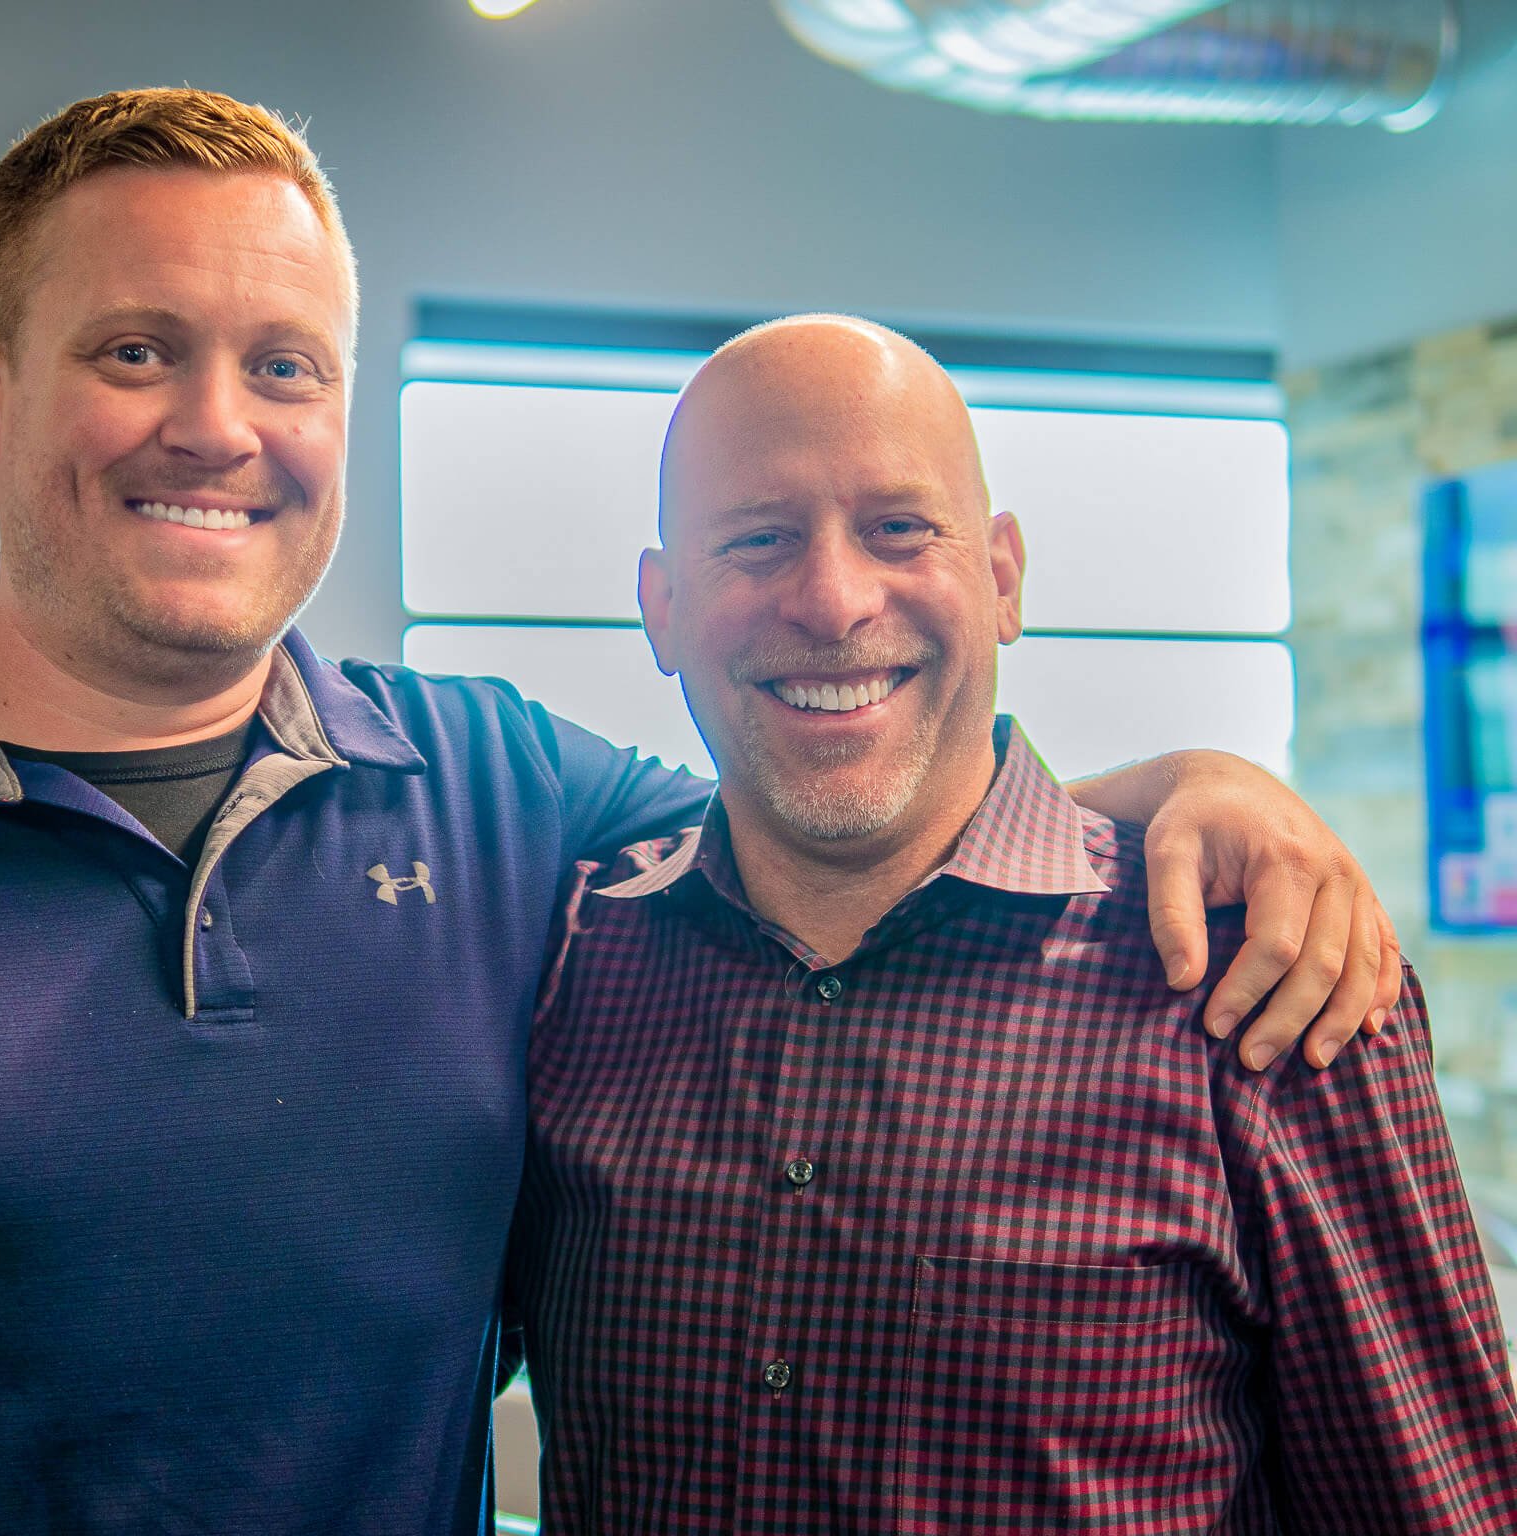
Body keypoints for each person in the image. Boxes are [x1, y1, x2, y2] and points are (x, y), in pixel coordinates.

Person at [0, 90, 1390, 1536]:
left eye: (281, 364)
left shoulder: (501, 801)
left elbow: (848, 791)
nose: (215, 424)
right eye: (135, 349)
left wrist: (1200, 795)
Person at [505, 315, 1517, 1533]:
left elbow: (1434, 1505)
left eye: (896, 529)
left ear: (999, 579)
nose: (831, 600)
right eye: (757, 540)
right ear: (659, 610)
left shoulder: (1258, 971)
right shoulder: (567, 966)